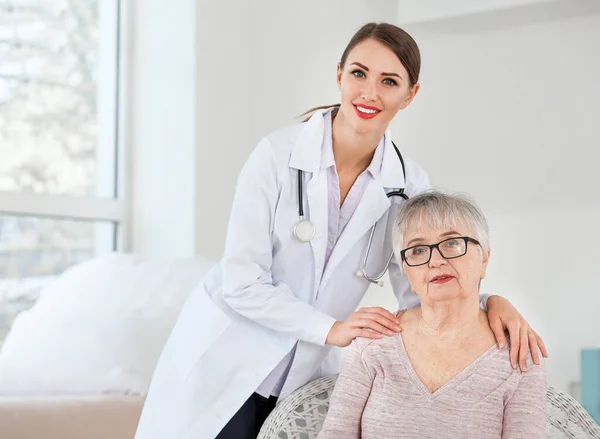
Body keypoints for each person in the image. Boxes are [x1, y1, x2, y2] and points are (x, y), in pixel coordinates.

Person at [134, 23, 547, 439]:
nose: (370, 92)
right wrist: (333, 329)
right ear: (339, 75)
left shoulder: (407, 184)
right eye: (359, 73)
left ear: (410, 95)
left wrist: (491, 302)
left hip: (303, 371)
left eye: (389, 81)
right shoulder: (276, 156)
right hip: (226, 356)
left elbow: (420, 288)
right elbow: (241, 283)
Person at [318, 191, 547, 439]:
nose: (435, 260)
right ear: (406, 271)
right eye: (417, 250)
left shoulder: (521, 354)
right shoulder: (372, 342)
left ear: (484, 258)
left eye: (451, 244)